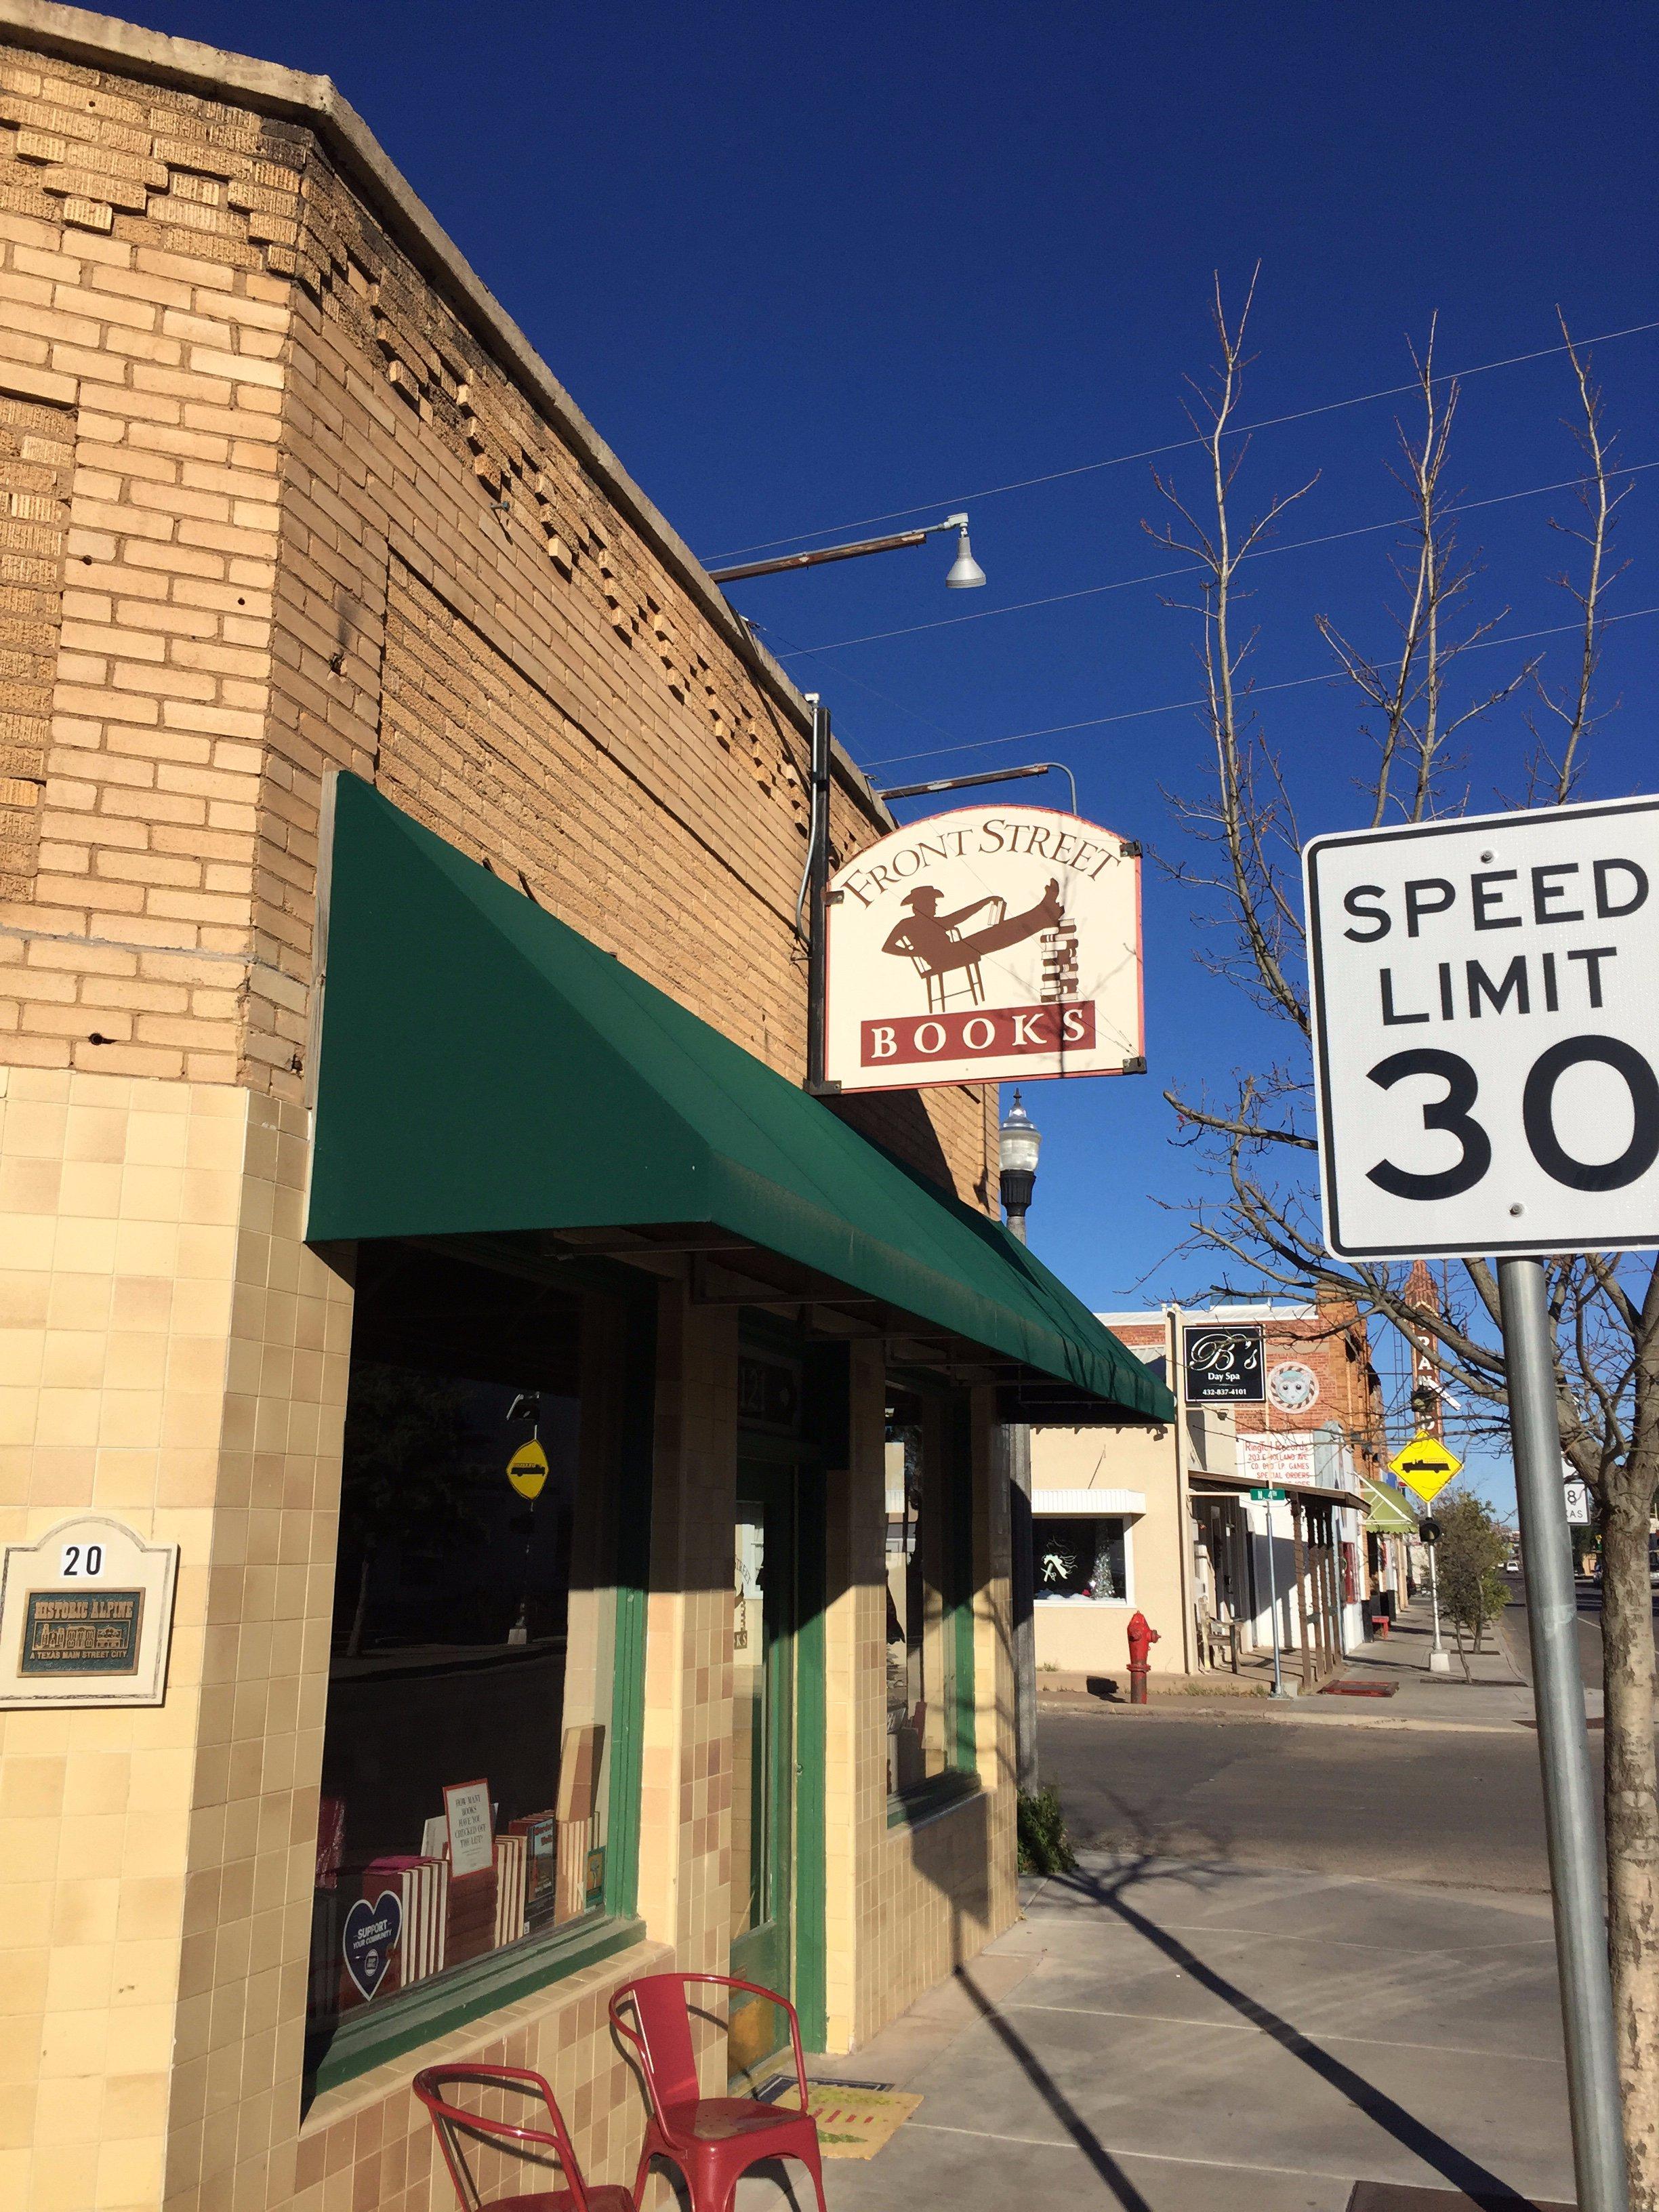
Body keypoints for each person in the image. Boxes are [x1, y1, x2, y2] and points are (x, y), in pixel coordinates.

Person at [882, 878, 1066, 979]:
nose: (936, 906)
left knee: (998, 933)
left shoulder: (931, 921)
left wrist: (985, 902)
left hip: (955, 951)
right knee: (998, 934)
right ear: (922, 904)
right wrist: (915, 953)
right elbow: (887, 947)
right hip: (946, 959)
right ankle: (1043, 916)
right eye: (933, 902)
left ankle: (1043, 914)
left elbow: (960, 916)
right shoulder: (908, 924)